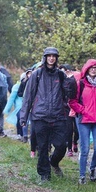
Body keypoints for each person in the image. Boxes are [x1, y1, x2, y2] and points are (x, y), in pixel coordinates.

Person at [19, 47, 76, 182]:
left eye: (54, 56)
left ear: (56, 58)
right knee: (43, 147)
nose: (51, 58)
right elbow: (28, 96)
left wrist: (71, 82)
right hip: (40, 116)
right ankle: (44, 175)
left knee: (62, 145)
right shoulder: (37, 74)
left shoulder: (61, 75)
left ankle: (54, 162)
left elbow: (70, 94)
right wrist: (24, 117)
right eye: (49, 56)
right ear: (45, 58)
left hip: (58, 115)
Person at [69, 59, 96, 185]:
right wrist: (82, 110)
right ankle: (82, 176)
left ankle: (92, 168)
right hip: (84, 120)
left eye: (95, 68)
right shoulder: (80, 83)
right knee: (85, 149)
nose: (93, 70)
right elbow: (72, 101)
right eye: (91, 68)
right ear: (86, 69)